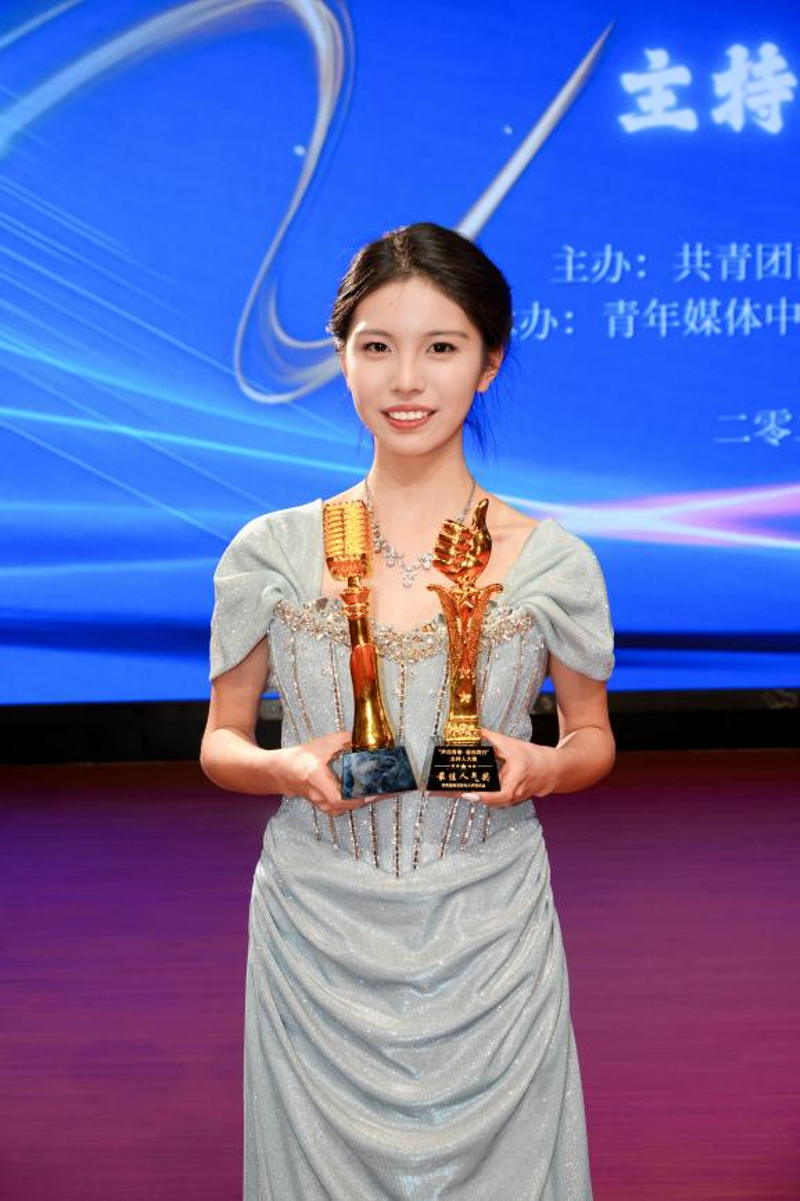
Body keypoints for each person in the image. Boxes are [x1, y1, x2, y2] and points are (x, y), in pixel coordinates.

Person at [200, 222, 615, 1200]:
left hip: (490, 934)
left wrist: (545, 766)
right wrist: (284, 767)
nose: (406, 379)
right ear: (342, 357)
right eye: (377, 346)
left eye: (441, 346)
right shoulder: (272, 549)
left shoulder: (552, 559)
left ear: (488, 361)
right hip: (316, 933)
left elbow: (591, 735)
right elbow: (220, 740)